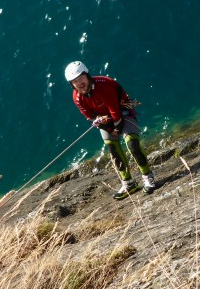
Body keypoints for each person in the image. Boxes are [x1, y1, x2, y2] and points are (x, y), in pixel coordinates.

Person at [65, 61, 156, 200]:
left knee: (133, 145)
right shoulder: (77, 97)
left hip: (123, 112)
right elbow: (90, 116)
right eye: (75, 81)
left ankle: (148, 177)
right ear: (71, 84)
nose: (79, 83)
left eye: (80, 78)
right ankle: (128, 184)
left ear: (87, 75)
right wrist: (108, 127)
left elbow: (115, 111)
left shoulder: (103, 86)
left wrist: (116, 129)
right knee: (114, 150)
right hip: (105, 120)